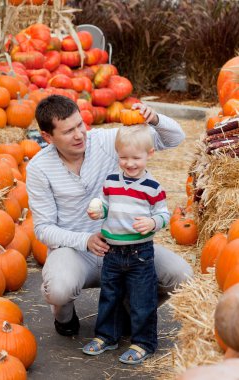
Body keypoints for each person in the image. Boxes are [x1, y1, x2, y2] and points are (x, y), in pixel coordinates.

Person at [26, 94, 193, 338]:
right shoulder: (39, 168)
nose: (79, 134)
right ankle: (64, 317)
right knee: (59, 288)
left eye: (79, 124)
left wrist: (155, 118)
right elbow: (43, 228)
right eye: (68, 131)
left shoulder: (105, 141)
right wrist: (85, 240)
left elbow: (175, 139)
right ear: (48, 137)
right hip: (75, 251)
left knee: (181, 275)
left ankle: (129, 309)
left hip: (126, 245)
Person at [82, 125, 170, 364]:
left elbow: (164, 215)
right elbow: (108, 205)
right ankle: (106, 336)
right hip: (113, 251)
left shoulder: (153, 187)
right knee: (109, 295)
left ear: (149, 154)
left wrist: (153, 221)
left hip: (140, 253)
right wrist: (99, 210)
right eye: (123, 157)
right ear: (117, 154)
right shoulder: (111, 181)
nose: (129, 163)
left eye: (136, 158)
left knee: (142, 299)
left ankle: (143, 342)